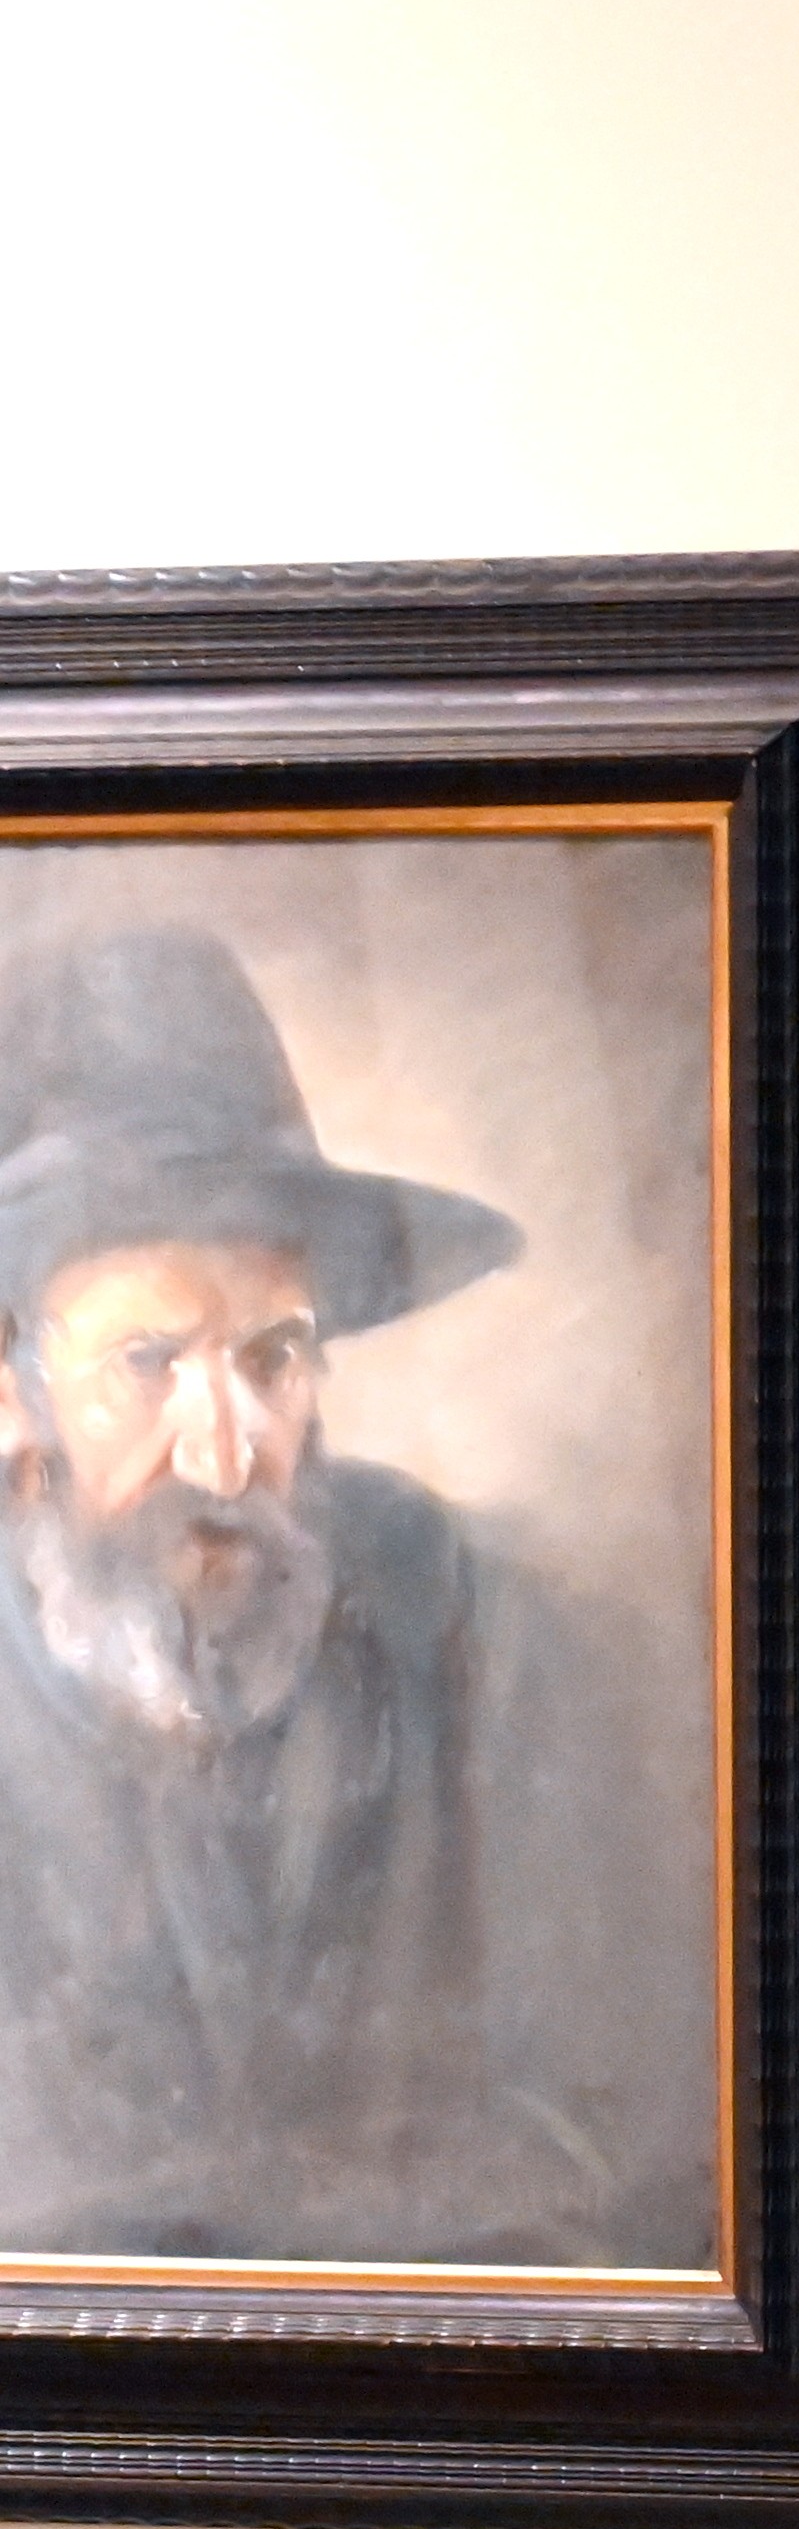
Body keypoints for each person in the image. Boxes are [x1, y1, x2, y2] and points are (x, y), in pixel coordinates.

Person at [0, 923, 690, 2268]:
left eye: (274, 1357)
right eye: (148, 1362)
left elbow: (612, 2136)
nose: (225, 1453)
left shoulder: (476, 1630)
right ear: (15, 1395)